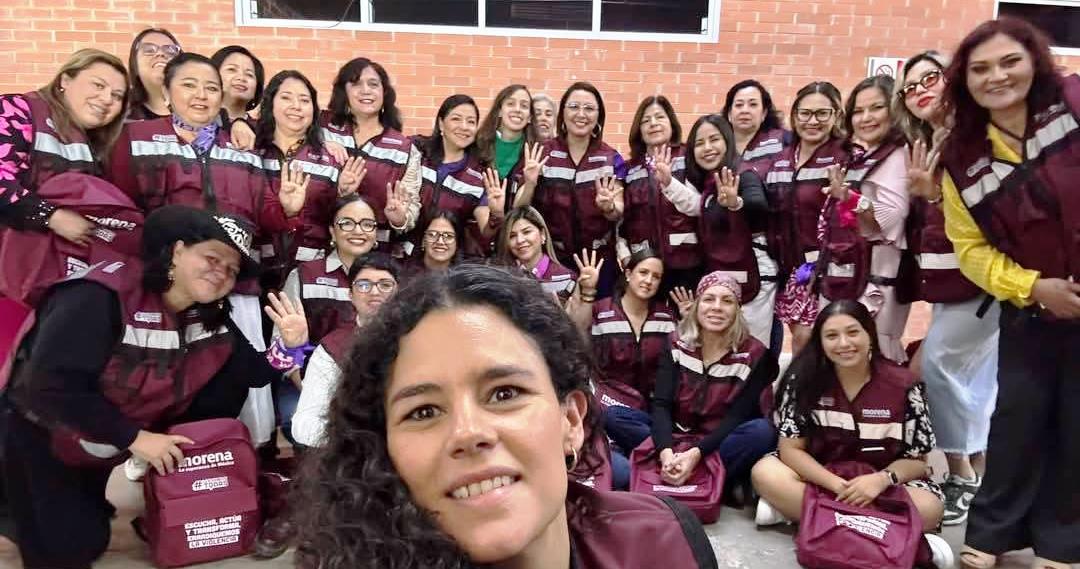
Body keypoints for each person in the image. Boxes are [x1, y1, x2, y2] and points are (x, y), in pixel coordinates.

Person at [291, 264, 718, 569]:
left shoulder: (668, 543)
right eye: (423, 411)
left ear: (571, 421)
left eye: (505, 393)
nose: (468, 432)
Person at [0, 205, 304, 569]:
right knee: (67, 551)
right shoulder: (100, 294)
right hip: (38, 433)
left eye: (232, 269)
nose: (221, 272)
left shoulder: (209, 315)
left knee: (88, 534)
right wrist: (137, 438)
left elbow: (254, 374)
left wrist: (291, 345)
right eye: (212, 257)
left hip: (98, 441)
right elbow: (46, 388)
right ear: (177, 251)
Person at [107, 52, 307, 447]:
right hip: (166, 289)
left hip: (233, 284)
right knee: (163, 381)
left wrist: (287, 210)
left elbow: (264, 215)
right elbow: (121, 211)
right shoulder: (137, 138)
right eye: (189, 85)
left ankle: (235, 458)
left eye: (211, 88)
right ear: (166, 93)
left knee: (242, 384)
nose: (201, 95)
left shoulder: (240, 145)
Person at [939, 18, 1080, 569]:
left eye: (1009, 62)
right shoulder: (960, 158)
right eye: (980, 69)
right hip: (1030, 308)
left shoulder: (1073, 105)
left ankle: (1062, 545)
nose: (996, 76)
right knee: (1016, 421)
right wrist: (1034, 288)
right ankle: (992, 536)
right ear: (965, 81)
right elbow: (970, 249)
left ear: (1035, 61)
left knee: (1075, 426)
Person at [749, 300, 952, 569]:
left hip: (882, 485)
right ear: (821, 342)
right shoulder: (803, 381)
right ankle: (903, 538)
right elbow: (790, 450)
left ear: (869, 334)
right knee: (765, 472)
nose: (844, 343)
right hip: (823, 478)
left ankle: (806, 516)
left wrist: (880, 480)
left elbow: (917, 462)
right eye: (832, 336)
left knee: (929, 507)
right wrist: (838, 487)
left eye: (853, 332)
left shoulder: (905, 386)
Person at [894, 49, 998, 528]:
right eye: (909, 88)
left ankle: (960, 473)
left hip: (980, 280)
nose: (919, 91)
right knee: (972, 381)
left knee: (933, 367)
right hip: (947, 285)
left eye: (929, 78)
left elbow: (989, 209)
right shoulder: (931, 142)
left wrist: (934, 193)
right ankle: (978, 474)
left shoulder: (977, 137)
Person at [650, 271, 779, 498]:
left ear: (738, 310)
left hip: (720, 440)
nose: (717, 307)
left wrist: (696, 454)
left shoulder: (755, 354)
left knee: (761, 432)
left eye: (727, 301)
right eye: (709, 299)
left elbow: (737, 417)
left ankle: (699, 472)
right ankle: (696, 472)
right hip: (676, 435)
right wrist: (666, 453)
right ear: (697, 306)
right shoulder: (675, 343)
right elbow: (661, 404)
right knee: (618, 417)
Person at [816, 76, 913, 363]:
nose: (866, 118)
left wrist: (853, 200)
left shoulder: (898, 156)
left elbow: (893, 216)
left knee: (874, 354)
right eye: (858, 111)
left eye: (876, 108)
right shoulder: (859, 157)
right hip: (845, 269)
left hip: (878, 276)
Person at [567, 249, 676, 489]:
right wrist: (587, 291)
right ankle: (655, 457)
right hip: (607, 408)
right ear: (628, 274)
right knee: (621, 474)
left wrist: (689, 324)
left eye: (656, 276)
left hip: (646, 416)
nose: (648, 280)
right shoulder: (602, 310)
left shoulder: (666, 317)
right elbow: (575, 333)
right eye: (643, 272)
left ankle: (660, 453)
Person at [252, 70, 364, 288]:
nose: (296, 106)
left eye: (304, 100)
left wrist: (343, 194)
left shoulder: (331, 158)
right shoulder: (252, 150)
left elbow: (340, 220)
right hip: (255, 270)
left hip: (311, 273)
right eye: (286, 98)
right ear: (270, 104)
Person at [0, 49, 127, 239]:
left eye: (117, 95)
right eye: (98, 85)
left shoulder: (100, 145)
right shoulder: (16, 109)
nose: (107, 99)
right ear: (65, 81)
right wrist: (50, 216)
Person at [670, 114, 773, 348]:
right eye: (699, 143)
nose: (707, 148)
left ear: (727, 141)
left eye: (714, 139)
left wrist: (735, 203)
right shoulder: (708, 185)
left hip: (753, 274)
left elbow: (758, 206)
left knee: (751, 347)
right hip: (723, 273)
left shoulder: (743, 174)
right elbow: (694, 205)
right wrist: (668, 183)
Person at [515, 82, 626, 297]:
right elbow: (518, 208)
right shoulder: (542, 153)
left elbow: (618, 210)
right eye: (574, 107)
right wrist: (530, 183)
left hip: (599, 262)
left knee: (598, 315)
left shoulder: (611, 158)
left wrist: (609, 207)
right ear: (563, 113)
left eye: (589, 108)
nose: (581, 114)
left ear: (599, 116)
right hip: (552, 260)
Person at [766, 81, 848, 353]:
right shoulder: (781, 159)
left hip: (828, 268)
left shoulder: (843, 156)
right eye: (805, 113)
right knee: (801, 341)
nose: (812, 121)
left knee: (811, 340)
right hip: (790, 269)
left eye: (822, 113)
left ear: (836, 115)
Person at [289, 252, 400, 448]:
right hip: (356, 450)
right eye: (364, 285)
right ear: (350, 295)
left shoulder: (418, 339)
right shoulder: (333, 348)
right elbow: (303, 424)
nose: (375, 292)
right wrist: (355, 439)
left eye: (385, 285)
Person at [319, 57, 420, 257]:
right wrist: (319, 143)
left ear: (384, 93)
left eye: (373, 84)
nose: (366, 90)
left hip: (376, 254)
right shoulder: (321, 127)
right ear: (344, 91)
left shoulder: (404, 148)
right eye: (356, 84)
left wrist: (400, 218)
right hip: (321, 246)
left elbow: (412, 207)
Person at [617, 96, 702, 296]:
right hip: (644, 267)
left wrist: (670, 182)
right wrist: (625, 255)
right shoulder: (629, 169)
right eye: (646, 120)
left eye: (659, 117)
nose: (653, 123)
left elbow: (701, 206)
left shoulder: (690, 158)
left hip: (687, 265)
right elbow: (621, 222)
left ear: (671, 123)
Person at [278, 194, 378, 349]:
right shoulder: (305, 275)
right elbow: (279, 341)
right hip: (313, 364)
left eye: (367, 224)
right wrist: (295, 361)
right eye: (347, 223)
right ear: (332, 231)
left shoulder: (389, 280)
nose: (358, 230)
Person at [411, 94, 497, 258]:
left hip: (445, 256)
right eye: (456, 119)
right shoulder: (417, 150)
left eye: (471, 122)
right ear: (441, 123)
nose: (464, 127)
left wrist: (497, 213)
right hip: (403, 250)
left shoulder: (479, 175)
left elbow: (487, 230)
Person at [497, 206, 577, 303]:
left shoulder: (565, 278)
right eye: (512, 236)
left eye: (526, 232)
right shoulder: (502, 279)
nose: (520, 240)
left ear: (542, 234)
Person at [722, 79, 789, 180]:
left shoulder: (784, 140)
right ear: (729, 114)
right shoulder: (718, 146)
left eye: (753, 104)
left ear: (764, 113)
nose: (745, 110)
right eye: (739, 105)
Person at [125, 28, 181, 122]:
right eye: (149, 50)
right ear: (135, 65)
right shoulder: (121, 113)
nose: (160, 53)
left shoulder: (199, 108)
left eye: (169, 50)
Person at [401, 210, 463, 281]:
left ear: (457, 243)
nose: (440, 242)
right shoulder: (402, 276)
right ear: (423, 241)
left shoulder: (465, 280)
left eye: (448, 236)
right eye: (432, 234)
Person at [210, 45, 264, 123]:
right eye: (232, 69)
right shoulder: (195, 123)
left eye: (249, 74)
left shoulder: (263, 129)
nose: (241, 78)